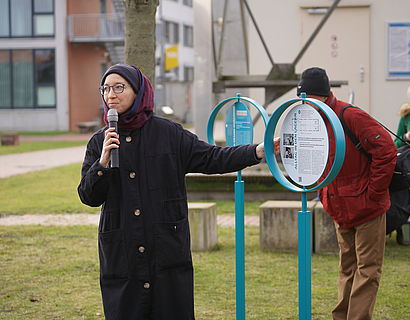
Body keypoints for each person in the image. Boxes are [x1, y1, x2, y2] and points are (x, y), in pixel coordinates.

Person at [77, 64, 274, 320]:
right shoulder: (99, 141)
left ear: (138, 90)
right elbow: (88, 196)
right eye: (105, 89)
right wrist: (102, 163)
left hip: (165, 251)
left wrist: (256, 151)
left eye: (118, 87)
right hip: (122, 255)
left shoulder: (168, 133)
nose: (110, 94)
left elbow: (212, 158)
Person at [296, 67, 396, 320]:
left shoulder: (350, 115)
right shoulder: (315, 116)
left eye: (308, 98)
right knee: (347, 268)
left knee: (367, 270)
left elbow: (385, 149)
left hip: (367, 208)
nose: (305, 104)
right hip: (340, 207)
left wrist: (373, 193)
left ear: (322, 95)